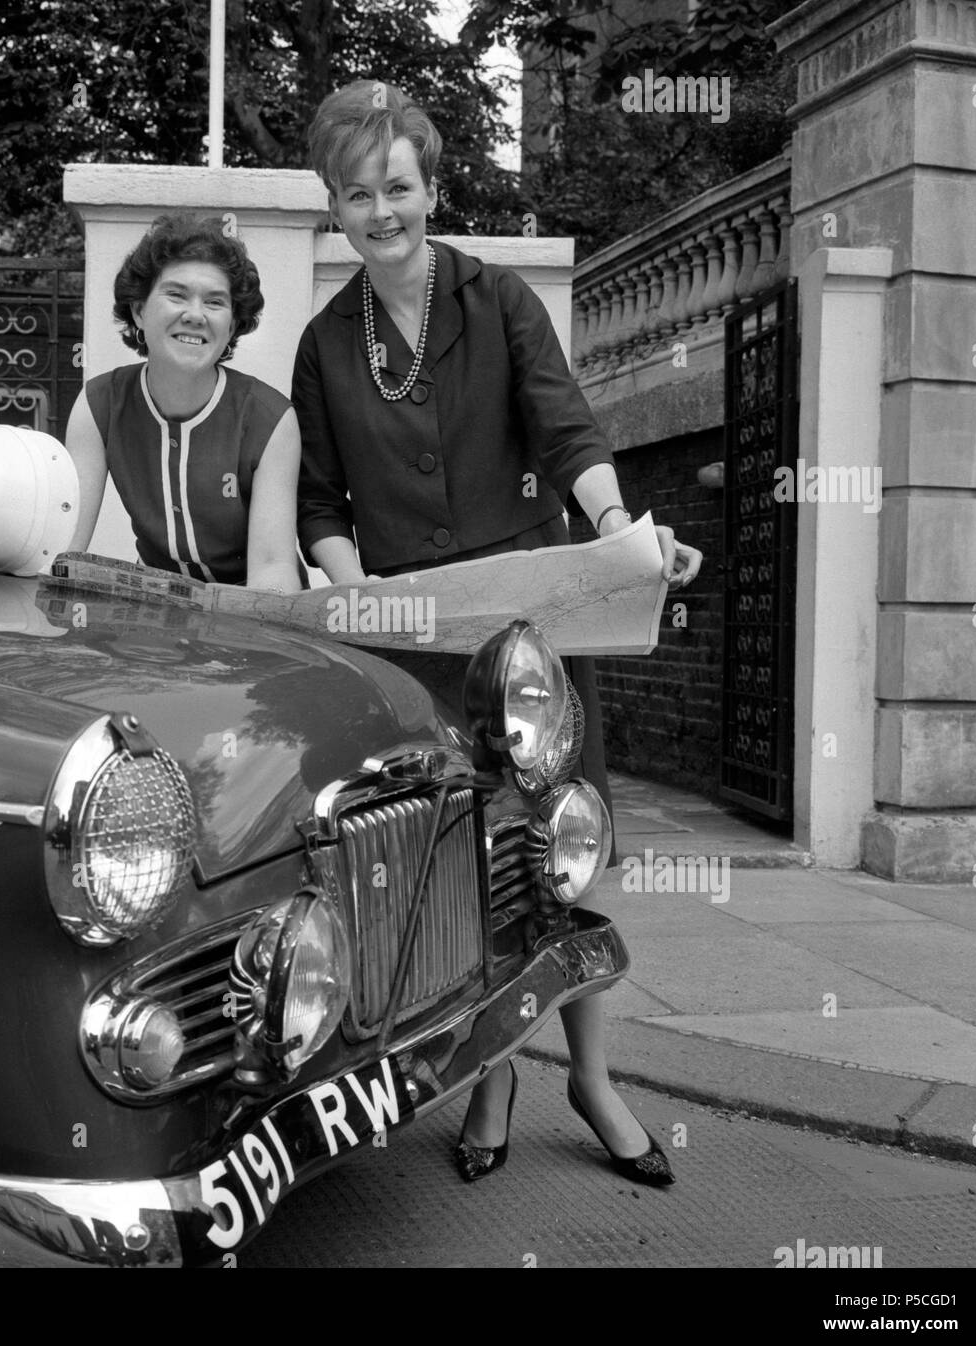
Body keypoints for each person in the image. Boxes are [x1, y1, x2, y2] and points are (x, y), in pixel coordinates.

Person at [294, 80, 703, 1186]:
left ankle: (593, 1075)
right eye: (356, 193)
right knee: (469, 874)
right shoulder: (327, 342)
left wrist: (619, 534)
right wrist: (358, 594)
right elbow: (320, 506)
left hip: (529, 642)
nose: (380, 210)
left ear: (429, 190)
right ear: (333, 208)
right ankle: (493, 1074)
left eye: (397, 187)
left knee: (560, 854)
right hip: (424, 648)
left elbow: (567, 431)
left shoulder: (499, 300)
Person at [66, 215, 302, 594]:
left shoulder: (270, 419)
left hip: (251, 613)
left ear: (232, 326)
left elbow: (273, 566)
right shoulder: (99, 404)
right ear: (139, 311)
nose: (195, 315)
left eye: (214, 302)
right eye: (176, 295)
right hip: (153, 609)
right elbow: (64, 541)